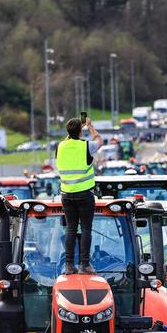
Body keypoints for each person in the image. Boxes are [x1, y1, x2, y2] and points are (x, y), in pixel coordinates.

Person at [56, 116, 103, 274]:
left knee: (70, 229)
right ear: (80, 131)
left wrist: (73, 132)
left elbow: (66, 140)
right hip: (84, 195)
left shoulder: (60, 146)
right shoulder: (86, 146)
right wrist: (90, 126)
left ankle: (69, 265)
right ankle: (85, 264)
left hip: (67, 195)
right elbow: (99, 140)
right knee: (86, 229)